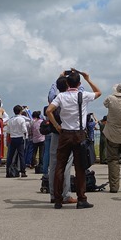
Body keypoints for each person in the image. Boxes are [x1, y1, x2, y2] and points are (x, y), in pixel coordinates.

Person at [46, 69, 101, 209]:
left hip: (64, 133)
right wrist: (88, 78)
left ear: (67, 83)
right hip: (79, 134)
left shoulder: (61, 96)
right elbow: (98, 92)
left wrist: (57, 126)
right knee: (80, 167)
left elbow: (48, 111)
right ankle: (82, 199)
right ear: (79, 84)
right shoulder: (83, 95)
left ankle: (57, 199)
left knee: (60, 166)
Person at [46, 75, 77, 205]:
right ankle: (65, 194)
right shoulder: (72, 97)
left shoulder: (54, 98)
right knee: (66, 165)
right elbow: (78, 88)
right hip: (67, 132)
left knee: (53, 164)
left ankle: (53, 194)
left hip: (55, 133)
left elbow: (51, 92)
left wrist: (57, 78)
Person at [5, 104, 29, 178]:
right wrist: (26, 137)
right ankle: (23, 171)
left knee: (10, 155)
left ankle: (8, 171)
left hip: (12, 138)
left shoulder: (10, 120)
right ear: (20, 111)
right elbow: (24, 130)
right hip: (20, 137)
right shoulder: (22, 119)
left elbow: (8, 131)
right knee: (21, 155)